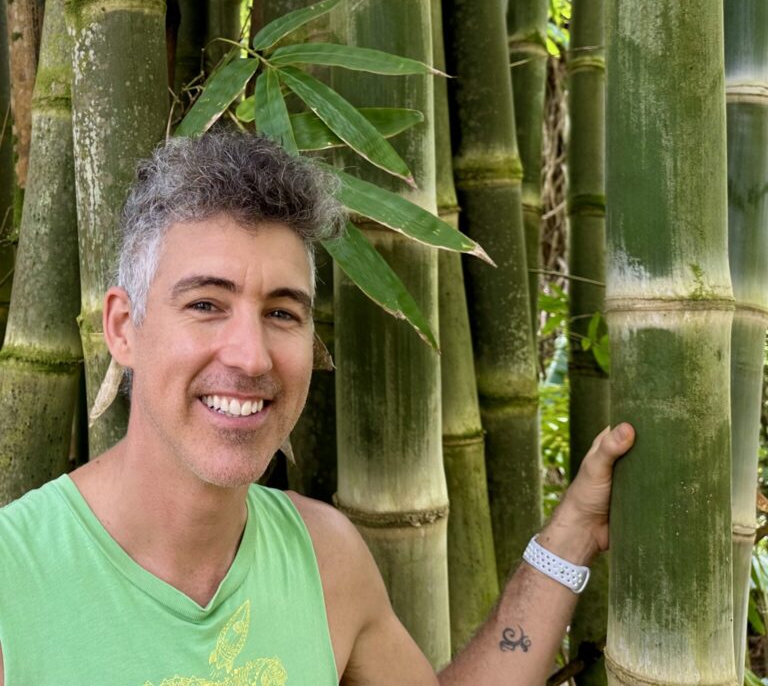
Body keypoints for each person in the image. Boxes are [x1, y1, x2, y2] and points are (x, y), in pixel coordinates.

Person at [0, 133, 634, 685]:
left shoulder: (324, 557)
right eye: (205, 305)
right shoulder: (14, 582)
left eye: (282, 313)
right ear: (123, 327)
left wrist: (570, 536)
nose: (251, 357)